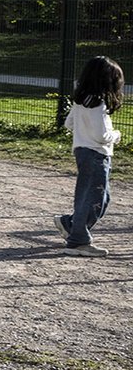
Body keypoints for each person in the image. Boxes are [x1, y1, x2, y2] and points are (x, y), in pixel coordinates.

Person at [61, 56, 122, 255]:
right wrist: (116, 135)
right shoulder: (99, 104)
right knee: (94, 198)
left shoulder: (82, 100)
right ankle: (78, 240)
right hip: (96, 154)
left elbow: (69, 124)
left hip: (82, 151)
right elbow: (102, 136)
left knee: (99, 197)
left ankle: (71, 224)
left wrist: (82, 133)